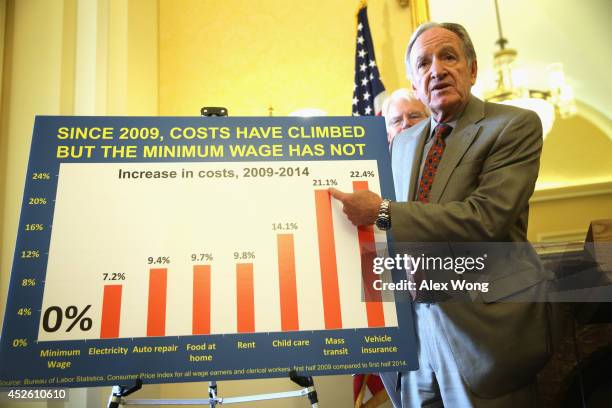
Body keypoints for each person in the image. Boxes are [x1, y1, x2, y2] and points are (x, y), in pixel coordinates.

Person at [330, 22, 553, 407]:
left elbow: (484, 218)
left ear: (472, 69)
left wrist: (380, 211)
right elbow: (397, 232)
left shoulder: (513, 126)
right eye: (423, 63)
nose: (436, 70)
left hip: (483, 335)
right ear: (416, 83)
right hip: (415, 338)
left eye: (448, 56)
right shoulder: (401, 144)